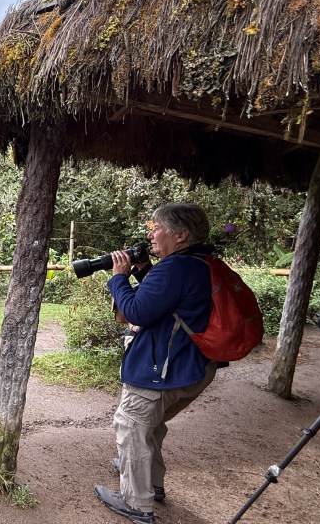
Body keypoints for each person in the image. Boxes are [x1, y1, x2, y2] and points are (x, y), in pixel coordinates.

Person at [94, 203, 218, 524]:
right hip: (193, 368)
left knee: (132, 425)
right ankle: (152, 485)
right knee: (150, 425)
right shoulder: (200, 261)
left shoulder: (175, 268)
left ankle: (137, 503)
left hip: (163, 369)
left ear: (181, 235)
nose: (151, 233)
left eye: (157, 227)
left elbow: (136, 311)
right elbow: (166, 299)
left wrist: (119, 278)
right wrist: (142, 270)